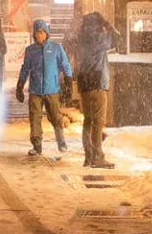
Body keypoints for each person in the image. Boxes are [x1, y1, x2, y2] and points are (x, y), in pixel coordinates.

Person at [15, 19, 73, 158]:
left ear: (46, 33)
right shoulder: (30, 51)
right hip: (35, 90)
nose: (39, 36)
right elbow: (25, 69)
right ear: (34, 34)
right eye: (37, 33)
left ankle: (61, 141)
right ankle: (37, 146)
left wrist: (68, 82)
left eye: (42, 33)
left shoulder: (56, 48)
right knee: (35, 117)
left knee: (56, 117)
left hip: (52, 90)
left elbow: (65, 66)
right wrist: (20, 85)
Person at [72, 11, 116, 169]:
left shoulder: (82, 38)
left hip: (84, 84)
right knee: (98, 121)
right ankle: (97, 155)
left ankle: (88, 155)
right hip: (97, 83)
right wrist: (107, 24)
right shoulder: (97, 38)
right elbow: (117, 38)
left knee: (88, 121)